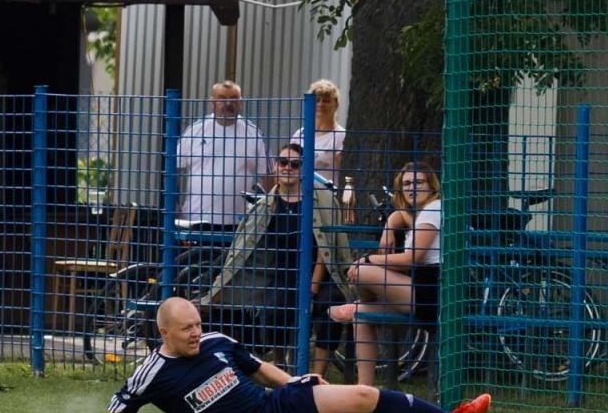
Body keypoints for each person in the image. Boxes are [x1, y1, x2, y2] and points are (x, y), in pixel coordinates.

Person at [103, 297, 490, 413]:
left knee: (364, 394)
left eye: (198, 324)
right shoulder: (151, 372)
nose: (196, 333)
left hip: (278, 406)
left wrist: (294, 383)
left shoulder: (216, 343)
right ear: (164, 331)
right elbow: (120, 407)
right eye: (187, 328)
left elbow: (258, 368)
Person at [196, 144, 354, 373]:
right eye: (283, 162)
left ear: (304, 168)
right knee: (273, 310)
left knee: (330, 307)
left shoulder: (324, 199)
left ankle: (318, 376)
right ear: (275, 166)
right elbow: (241, 251)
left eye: (295, 164)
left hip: (320, 273)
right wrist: (217, 289)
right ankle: (280, 364)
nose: (288, 168)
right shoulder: (264, 206)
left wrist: (312, 287)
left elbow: (326, 247)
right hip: (282, 273)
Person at [329, 161, 441, 387]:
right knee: (361, 315)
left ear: (431, 187)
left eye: (418, 182)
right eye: (406, 184)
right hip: (418, 291)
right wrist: (391, 222)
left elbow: (412, 258)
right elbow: (404, 217)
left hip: (432, 295)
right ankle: (365, 389)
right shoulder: (422, 213)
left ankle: (363, 299)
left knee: (360, 271)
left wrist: (371, 258)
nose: (412, 188)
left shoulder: (434, 209)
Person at [175, 81, 271, 227]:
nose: (228, 103)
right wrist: (174, 206)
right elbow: (171, 170)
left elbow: (268, 176)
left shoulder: (253, 133)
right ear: (212, 102)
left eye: (233, 98)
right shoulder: (195, 131)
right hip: (196, 219)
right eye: (222, 98)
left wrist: (263, 212)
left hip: (239, 223)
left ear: (241, 103)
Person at [290, 79, 347, 188]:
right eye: (317, 100)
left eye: (326, 100)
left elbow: (345, 173)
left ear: (336, 104)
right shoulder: (299, 134)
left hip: (326, 200)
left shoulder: (341, 136)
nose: (320, 104)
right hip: (298, 196)